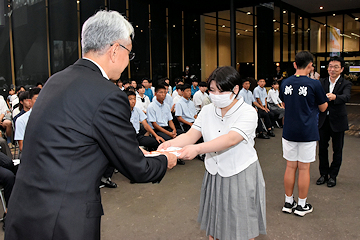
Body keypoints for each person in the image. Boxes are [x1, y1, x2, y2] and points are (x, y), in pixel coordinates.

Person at [5, 10, 177, 240]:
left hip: (25, 209)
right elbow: (139, 170)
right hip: (63, 221)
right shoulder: (108, 94)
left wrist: (133, 150)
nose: (128, 62)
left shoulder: (56, 80)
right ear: (116, 50)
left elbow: (72, 142)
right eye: (130, 52)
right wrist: (166, 159)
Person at [159, 66, 266, 240]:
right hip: (214, 172)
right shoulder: (208, 110)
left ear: (235, 89)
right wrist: (169, 144)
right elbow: (191, 135)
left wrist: (198, 149)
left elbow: (231, 139)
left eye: (219, 91)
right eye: (212, 90)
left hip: (240, 171)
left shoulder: (248, 112)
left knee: (241, 226)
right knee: (215, 223)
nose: (214, 95)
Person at [279, 51, 328, 217]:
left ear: (294, 64)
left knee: (290, 166)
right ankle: (301, 205)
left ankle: (288, 202)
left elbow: (284, 103)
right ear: (310, 66)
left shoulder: (285, 83)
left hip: (289, 131)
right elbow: (323, 107)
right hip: (307, 131)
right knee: (304, 168)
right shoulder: (314, 84)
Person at [316, 56, 352, 188]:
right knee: (322, 149)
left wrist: (335, 97)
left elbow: (346, 97)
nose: (332, 69)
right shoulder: (321, 82)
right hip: (323, 121)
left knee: (337, 150)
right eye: (330, 66)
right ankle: (323, 174)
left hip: (338, 121)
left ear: (341, 69)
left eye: (336, 67)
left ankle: (333, 175)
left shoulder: (346, 83)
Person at [14, 88, 41, 152]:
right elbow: (22, 147)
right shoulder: (21, 120)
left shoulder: (50, 117)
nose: (41, 101)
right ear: (30, 101)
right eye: (37, 99)